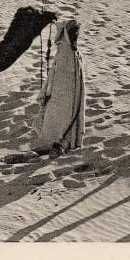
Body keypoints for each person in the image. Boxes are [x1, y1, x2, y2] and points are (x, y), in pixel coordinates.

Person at [30, 18, 85, 158]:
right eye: (73, 34)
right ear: (67, 34)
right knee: (59, 119)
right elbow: (54, 76)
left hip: (71, 95)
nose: (75, 37)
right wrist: (46, 91)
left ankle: (60, 144)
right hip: (61, 95)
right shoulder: (65, 52)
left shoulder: (73, 51)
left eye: (77, 34)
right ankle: (55, 144)